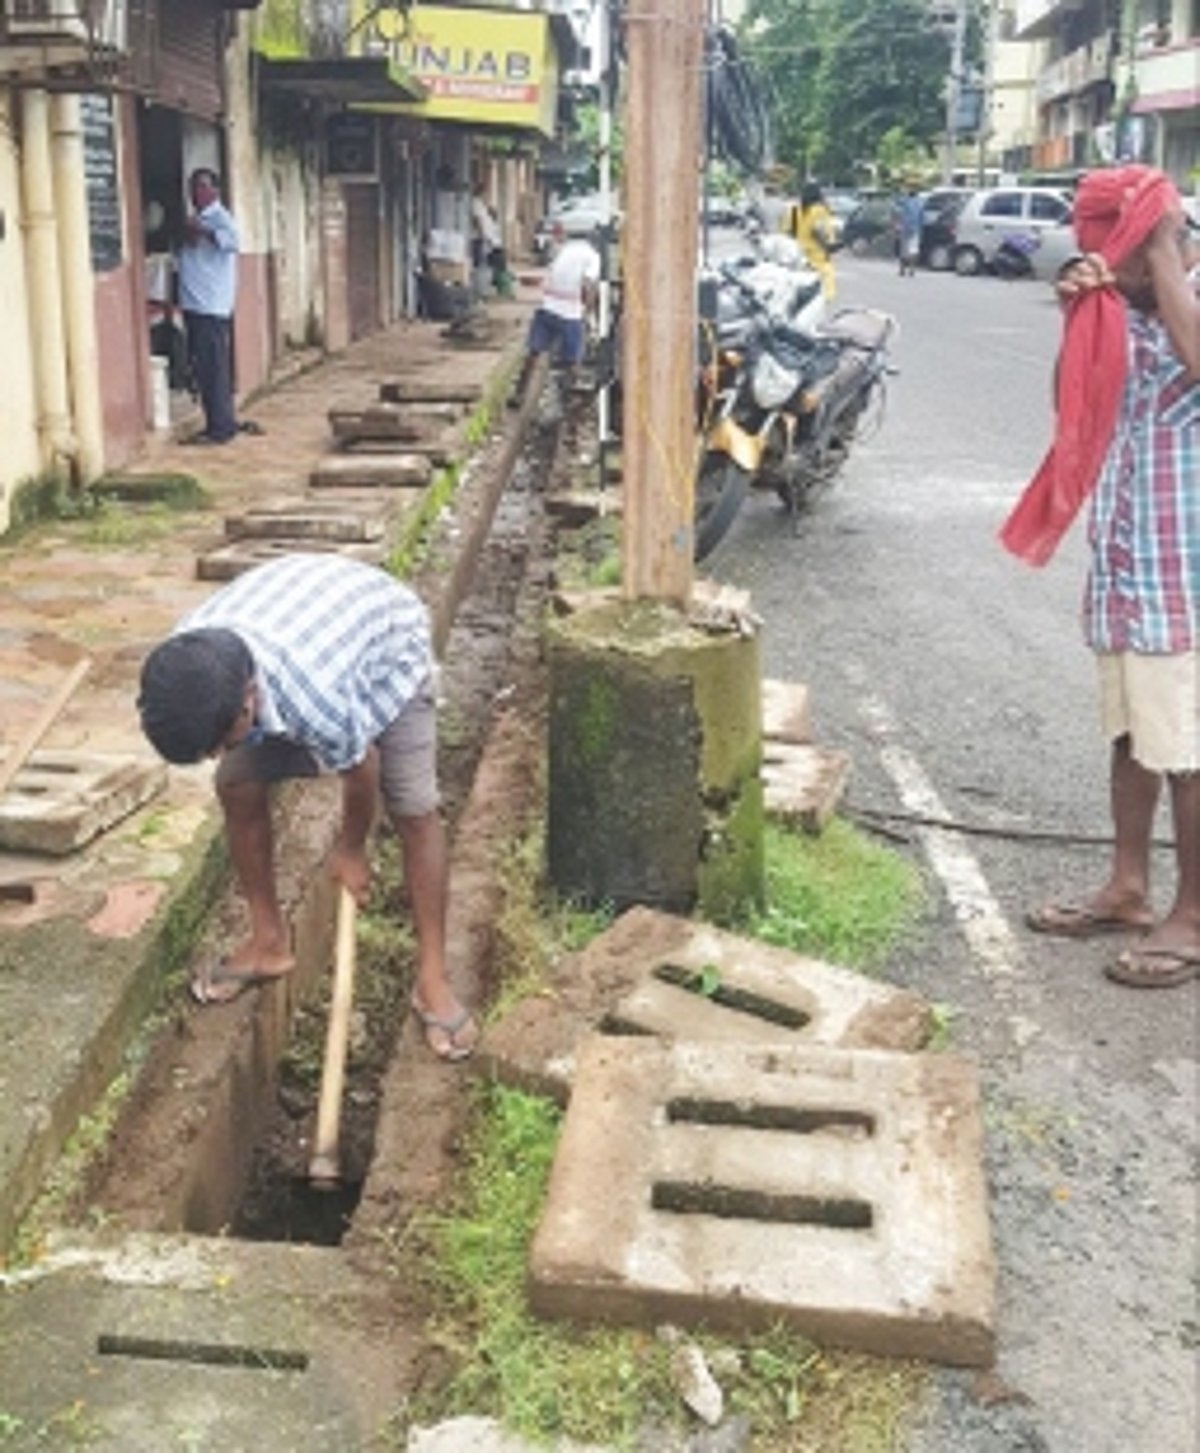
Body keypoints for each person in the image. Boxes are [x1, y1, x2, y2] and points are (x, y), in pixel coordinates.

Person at [137, 553, 477, 1058]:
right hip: (308, 618)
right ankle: (269, 942)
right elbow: (221, 735)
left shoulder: (315, 698)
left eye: (218, 739)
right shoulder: (184, 669)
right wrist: (229, 744)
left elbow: (362, 767)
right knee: (235, 779)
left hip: (389, 644)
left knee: (414, 808)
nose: (211, 753)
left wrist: (351, 849)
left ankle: (432, 976)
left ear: (249, 697)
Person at [1002, 165, 1199, 989]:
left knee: (1188, 749)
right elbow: (1074, 405)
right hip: (1126, 567)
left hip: (1185, 577)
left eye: (1106, 246)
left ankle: (1192, 913)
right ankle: (1127, 885)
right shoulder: (1122, 306)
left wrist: (1157, 256)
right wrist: (1081, 313)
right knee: (1134, 736)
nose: (1099, 260)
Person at [177, 168, 241, 446]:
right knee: (204, 368)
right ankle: (216, 422)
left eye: (202, 187)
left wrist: (202, 231)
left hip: (211, 306)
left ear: (215, 190)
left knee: (214, 368)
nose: (196, 193)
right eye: (193, 187)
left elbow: (232, 242)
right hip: (195, 305)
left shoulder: (219, 218)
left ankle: (221, 428)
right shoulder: (197, 219)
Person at [510, 221, 600, 407]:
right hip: (570, 313)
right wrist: (588, 314)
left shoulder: (563, 251)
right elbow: (589, 285)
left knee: (533, 353)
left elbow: (550, 276)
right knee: (573, 361)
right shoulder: (592, 256)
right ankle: (570, 402)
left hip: (547, 308)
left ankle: (519, 394)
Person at [786, 182, 837, 299]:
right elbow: (823, 233)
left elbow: (788, 233)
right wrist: (829, 247)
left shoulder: (794, 211)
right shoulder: (820, 211)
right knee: (822, 295)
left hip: (796, 258)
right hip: (817, 259)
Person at [471, 184, 511, 297]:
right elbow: (477, 221)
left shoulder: (482, 205)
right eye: (485, 193)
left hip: (490, 239)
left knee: (496, 262)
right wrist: (483, 235)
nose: (487, 195)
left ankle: (499, 286)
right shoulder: (475, 204)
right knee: (482, 265)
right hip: (483, 238)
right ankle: (482, 289)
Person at [896, 186, 923, 277]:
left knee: (904, 250)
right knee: (914, 250)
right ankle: (912, 269)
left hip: (906, 229)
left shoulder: (906, 202)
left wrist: (902, 193)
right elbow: (922, 219)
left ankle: (902, 269)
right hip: (916, 229)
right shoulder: (920, 204)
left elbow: (898, 202)